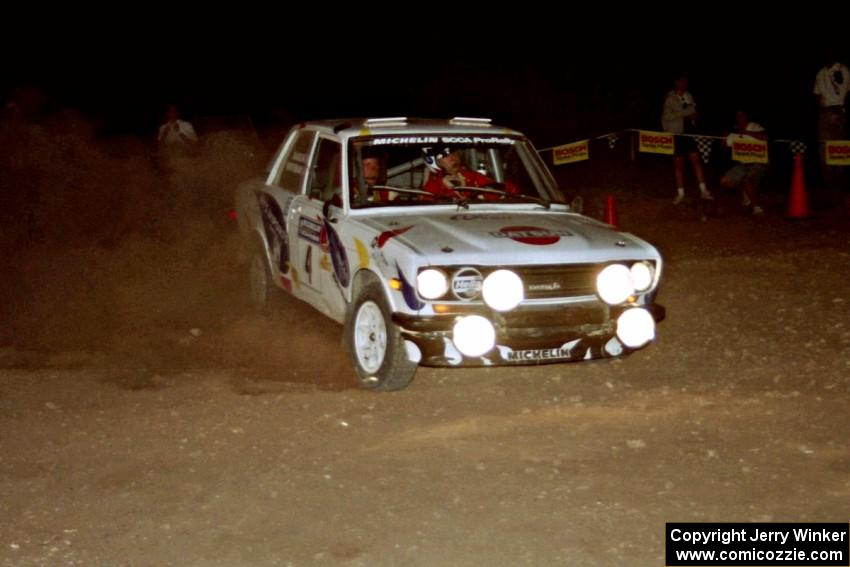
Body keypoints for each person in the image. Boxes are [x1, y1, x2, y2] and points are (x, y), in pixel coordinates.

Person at [661, 74, 713, 204]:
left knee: (696, 160)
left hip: (689, 132)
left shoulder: (689, 95)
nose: (685, 84)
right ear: (677, 83)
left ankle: (703, 190)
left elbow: (693, 112)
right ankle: (680, 193)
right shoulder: (670, 98)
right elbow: (667, 116)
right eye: (682, 82)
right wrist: (685, 112)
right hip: (676, 132)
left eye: (686, 82)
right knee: (679, 164)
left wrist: (694, 116)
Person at [813, 48, 850, 191]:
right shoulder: (821, 73)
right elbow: (816, 93)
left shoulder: (844, 70)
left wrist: (842, 109)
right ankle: (827, 181)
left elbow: (848, 91)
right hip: (825, 111)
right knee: (823, 147)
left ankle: (839, 179)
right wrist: (821, 107)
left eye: (831, 53)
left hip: (839, 110)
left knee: (839, 146)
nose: (828, 56)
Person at [421, 146, 517, 199]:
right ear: (433, 161)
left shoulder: (471, 176)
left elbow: (504, 189)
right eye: (445, 155)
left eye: (454, 152)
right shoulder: (432, 187)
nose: (453, 157)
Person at [720, 110, 768, 216]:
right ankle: (745, 191)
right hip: (742, 164)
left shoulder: (754, 126)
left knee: (747, 180)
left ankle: (756, 207)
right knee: (724, 181)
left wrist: (746, 133)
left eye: (741, 115)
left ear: (747, 116)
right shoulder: (734, 130)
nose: (739, 118)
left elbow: (765, 138)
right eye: (737, 115)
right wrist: (724, 138)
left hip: (758, 162)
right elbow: (724, 147)